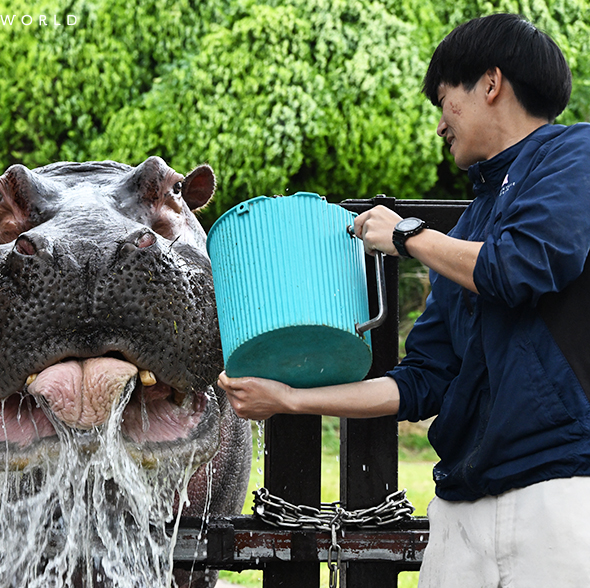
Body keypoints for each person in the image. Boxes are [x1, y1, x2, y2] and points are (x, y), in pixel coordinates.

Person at [218, 13, 590, 587]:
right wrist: (290, 399)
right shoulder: (466, 226)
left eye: (445, 101)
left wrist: (408, 236)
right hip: (461, 504)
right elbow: (420, 383)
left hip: (560, 492)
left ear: (490, 84)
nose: (441, 125)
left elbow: (521, 265)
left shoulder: (577, 156)